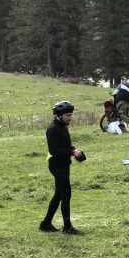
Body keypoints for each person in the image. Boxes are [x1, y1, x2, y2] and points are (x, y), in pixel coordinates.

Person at [42, 101, 85, 235]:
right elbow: (54, 150)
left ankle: (46, 223)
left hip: (63, 164)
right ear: (59, 115)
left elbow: (65, 145)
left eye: (71, 115)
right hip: (57, 166)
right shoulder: (53, 129)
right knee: (66, 194)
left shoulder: (62, 126)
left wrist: (74, 150)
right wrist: (72, 153)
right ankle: (67, 227)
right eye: (67, 115)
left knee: (59, 195)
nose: (70, 117)